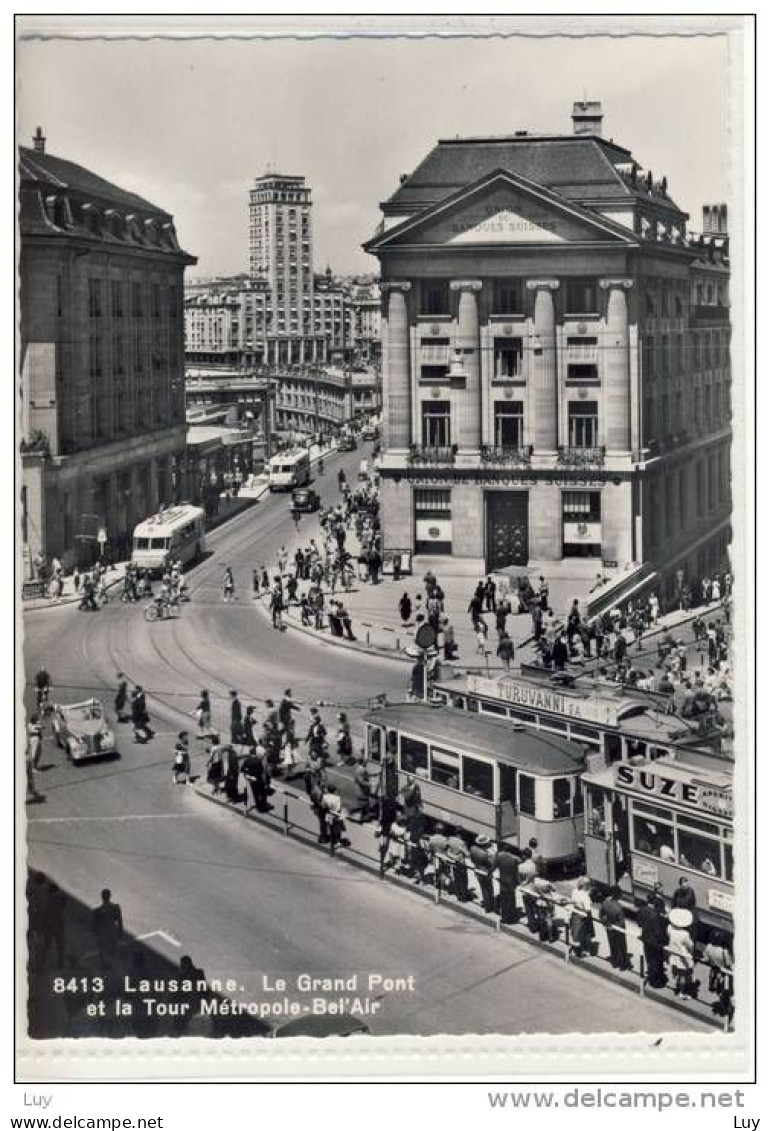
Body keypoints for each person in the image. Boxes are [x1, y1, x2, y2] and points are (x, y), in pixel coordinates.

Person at [636, 891, 669, 988]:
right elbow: (658, 932)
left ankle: (652, 978)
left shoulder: (641, 910)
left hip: (646, 939)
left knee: (649, 960)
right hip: (655, 942)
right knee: (657, 961)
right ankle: (657, 981)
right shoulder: (656, 915)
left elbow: (639, 924)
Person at [600, 887, 632, 971]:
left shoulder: (605, 903)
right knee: (621, 946)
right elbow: (621, 920)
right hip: (618, 929)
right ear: (617, 895)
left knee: (612, 944)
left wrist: (605, 923)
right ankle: (622, 964)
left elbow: (601, 914)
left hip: (609, 927)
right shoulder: (618, 907)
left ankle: (614, 962)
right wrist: (619, 927)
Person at [667, 908, 697, 998]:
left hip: (673, 954)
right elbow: (690, 946)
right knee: (683, 974)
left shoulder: (669, 928)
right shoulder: (685, 934)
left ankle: (678, 984)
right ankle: (682, 991)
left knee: (676, 971)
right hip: (682, 956)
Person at [92, 888, 123, 967]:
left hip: (102, 933)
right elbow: (119, 921)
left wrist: (96, 934)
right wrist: (120, 933)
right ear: (110, 896)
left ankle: (103, 966)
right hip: (112, 932)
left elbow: (95, 925)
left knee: (102, 951)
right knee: (112, 951)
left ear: (102, 897)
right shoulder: (116, 907)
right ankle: (112, 966)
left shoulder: (97, 911)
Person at [569, 877, 595, 957]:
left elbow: (574, 901)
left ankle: (578, 949)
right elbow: (588, 909)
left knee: (576, 932)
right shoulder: (585, 896)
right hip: (584, 916)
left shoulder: (574, 891)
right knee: (586, 934)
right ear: (585, 885)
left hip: (575, 914)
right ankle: (585, 950)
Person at [494, 843, 520, 924]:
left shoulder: (499, 858)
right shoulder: (514, 860)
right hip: (511, 883)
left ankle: (504, 918)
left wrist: (489, 873)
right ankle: (511, 919)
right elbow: (516, 873)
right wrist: (518, 882)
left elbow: (493, 867)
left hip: (502, 883)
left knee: (504, 901)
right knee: (511, 901)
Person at [469, 835, 496, 913]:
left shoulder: (473, 849)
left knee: (483, 889)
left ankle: (487, 904)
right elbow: (490, 864)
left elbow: (472, 860)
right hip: (485, 872)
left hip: (477, 871)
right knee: (489, 889)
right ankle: (490, 906)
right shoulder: (484, 854)